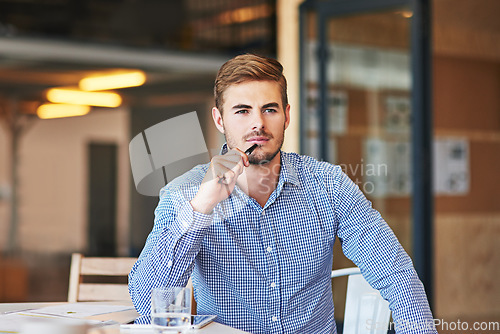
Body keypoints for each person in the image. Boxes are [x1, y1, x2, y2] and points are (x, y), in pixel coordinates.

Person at [128, 54, 437, 334]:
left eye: (269, 109)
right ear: (220, 120)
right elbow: (147, 300)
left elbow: (395, 273)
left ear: (286, 116)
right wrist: (202, 206)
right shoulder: (183, 194)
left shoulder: (329, 185)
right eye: (242, 111)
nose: (258, 124)